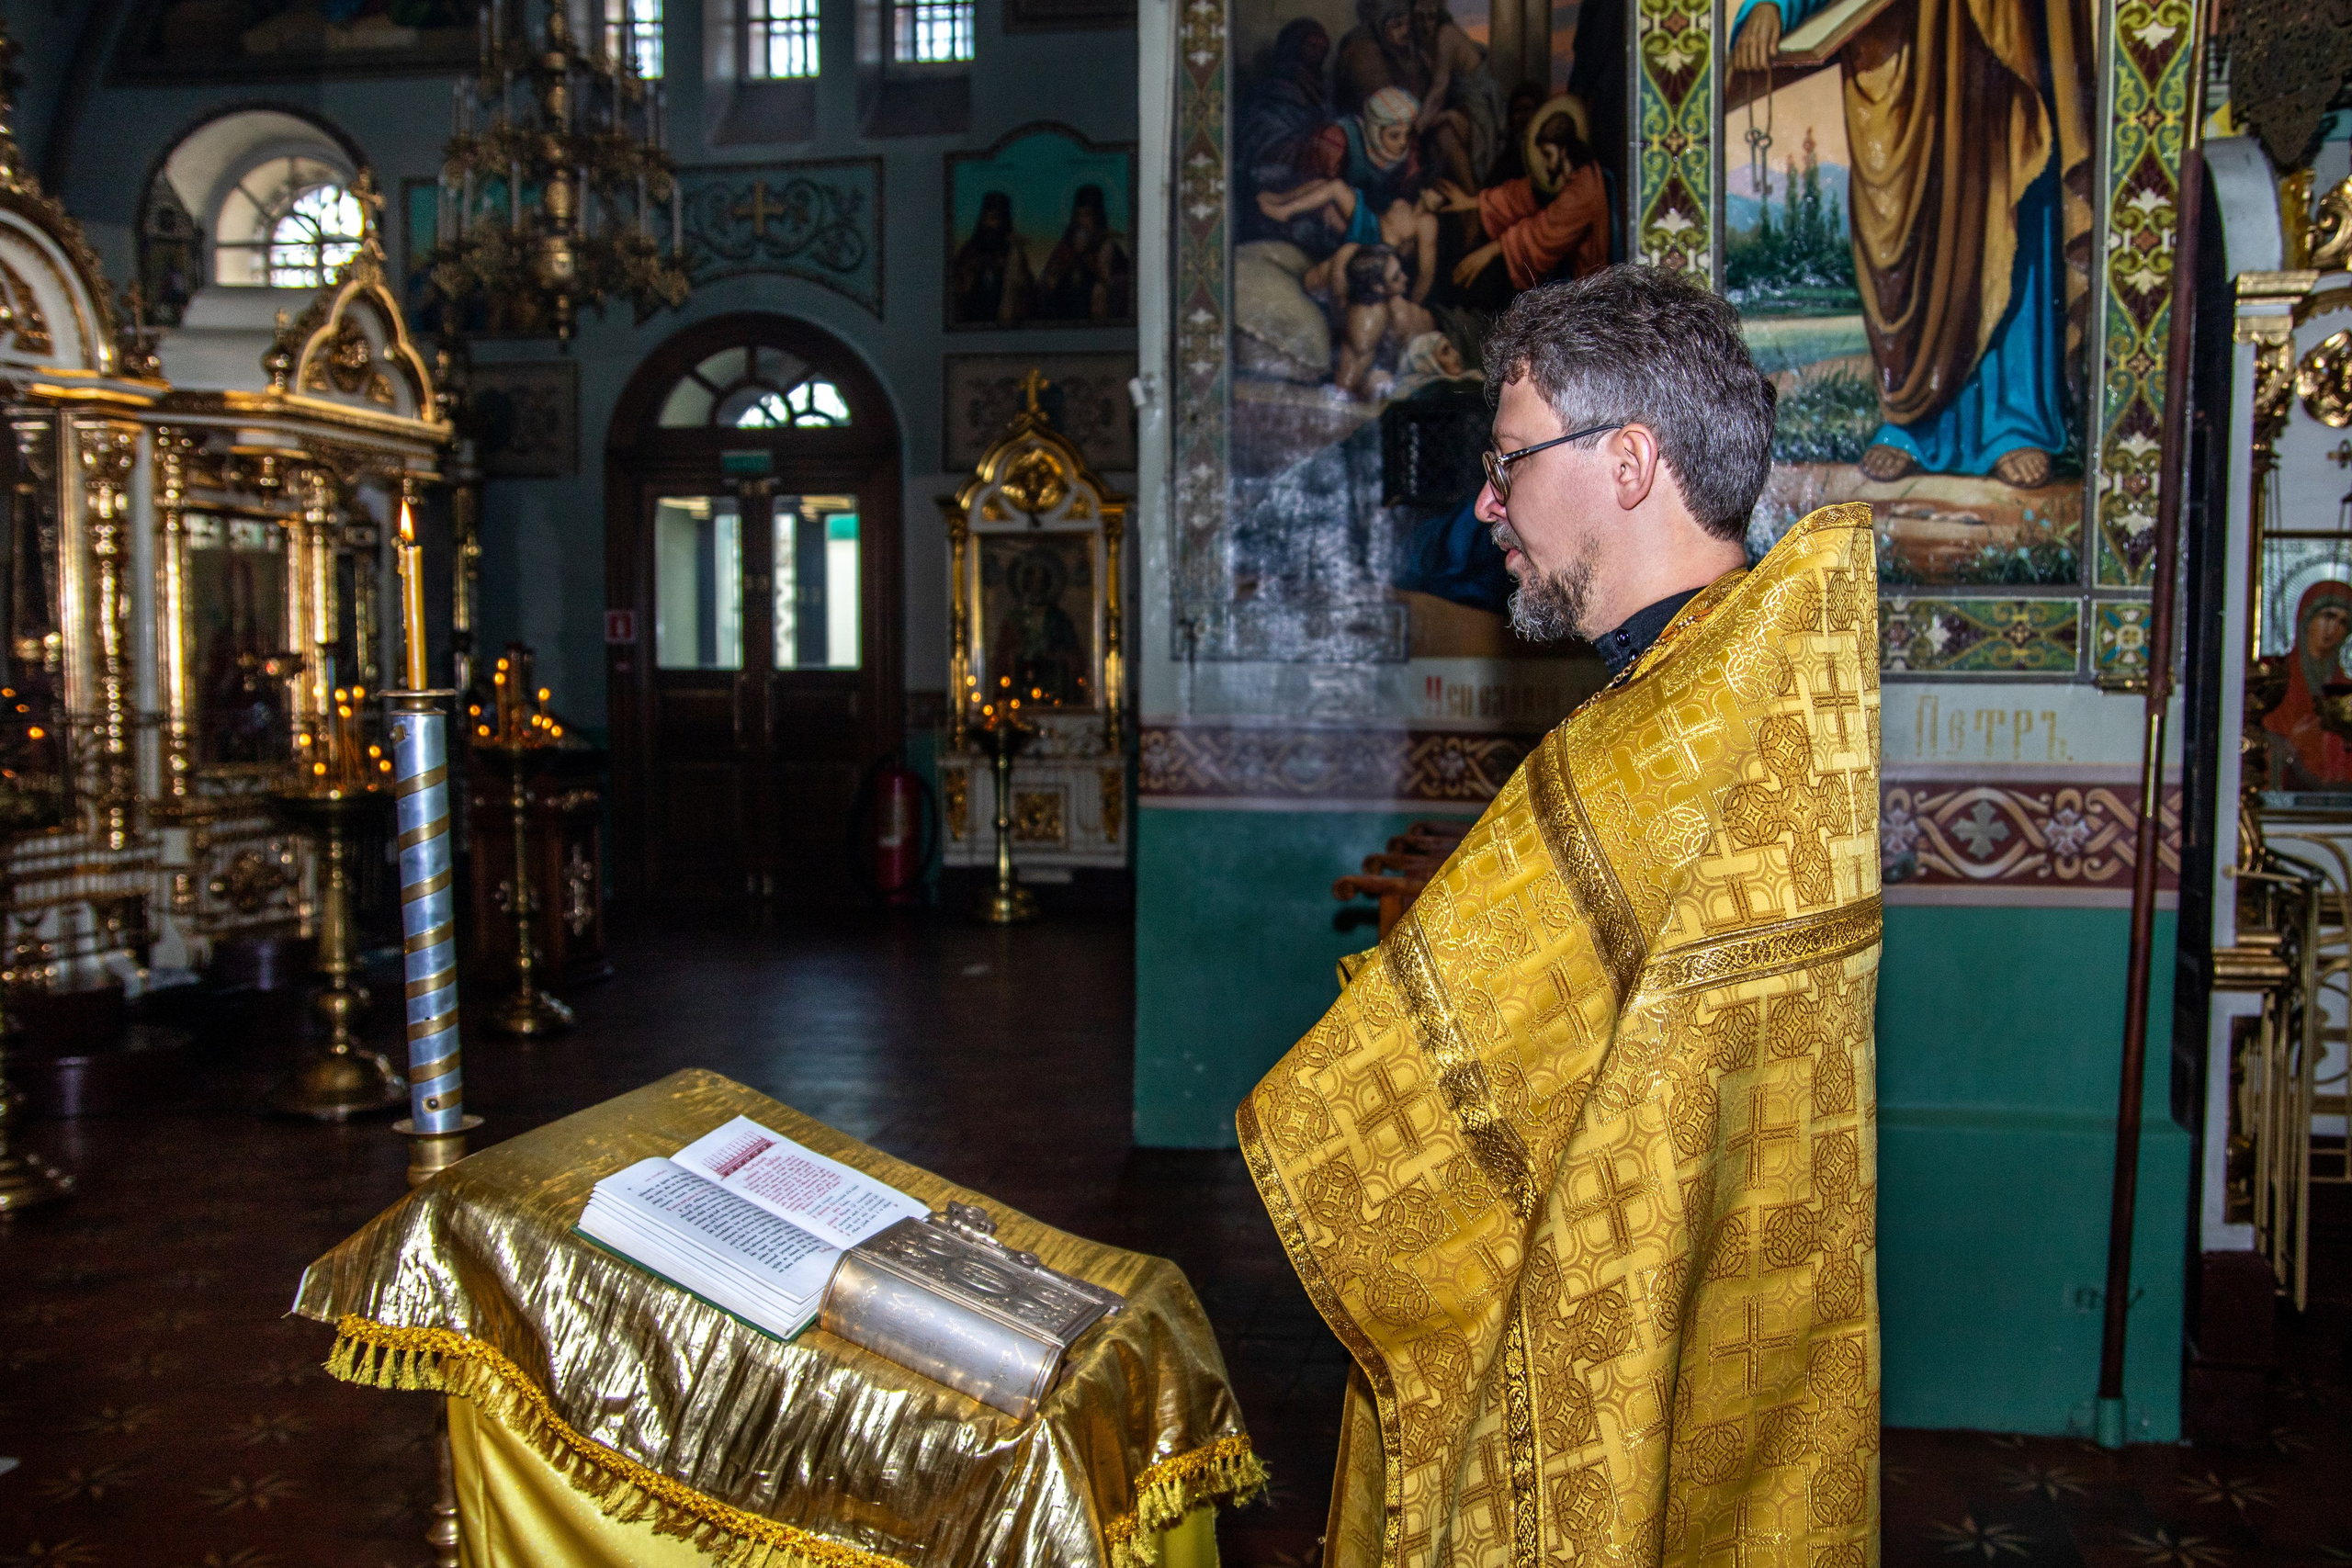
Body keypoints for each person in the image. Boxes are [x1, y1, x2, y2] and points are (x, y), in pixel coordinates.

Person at [1238, 266, 1882, 1567]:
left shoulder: (1665, 743)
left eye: (1512, 458)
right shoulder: (1735, 696)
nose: (1489, 502)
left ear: (1629, 459)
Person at [1728, 0, 2094, 487]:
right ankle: (1917, 422)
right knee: (1922, 216)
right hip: (1909, 39)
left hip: (2006, 33)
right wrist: (1774, 5)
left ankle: (2016, 418)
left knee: (2011, 181)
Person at [1435, 93, 1609, 306]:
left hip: (1583, 286)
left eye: (1548, 155)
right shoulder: (1573, 176)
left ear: (1564, 150)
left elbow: (1544, 231)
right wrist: (1472, 202)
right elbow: (1522, 193)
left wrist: (1490, 252)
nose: (1545, 163)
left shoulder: (1584, 188)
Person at [2265, 581, 2352, 789]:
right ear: (2306, 618)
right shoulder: (2274, 677)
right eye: (2328, 616)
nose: (2333, 629)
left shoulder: (2346, 688)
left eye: (2343, 622)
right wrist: (2291, 744)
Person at [1034, 185, 1130, 321]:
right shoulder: (1067, 244)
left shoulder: (1107, 245)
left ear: (1097, 216)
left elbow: (1120, 284)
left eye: (1088, 215)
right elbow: (1048, 279)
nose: (1082, 221)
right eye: (1079, 215)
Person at [949, 190, 1032, 327]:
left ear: (1003, 221)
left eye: (994, 219)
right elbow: (956, 288)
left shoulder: (1013, 253)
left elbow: (1025, 291)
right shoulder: (970, 251)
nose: (988, 223)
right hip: (972, 326)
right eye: (985, 218)